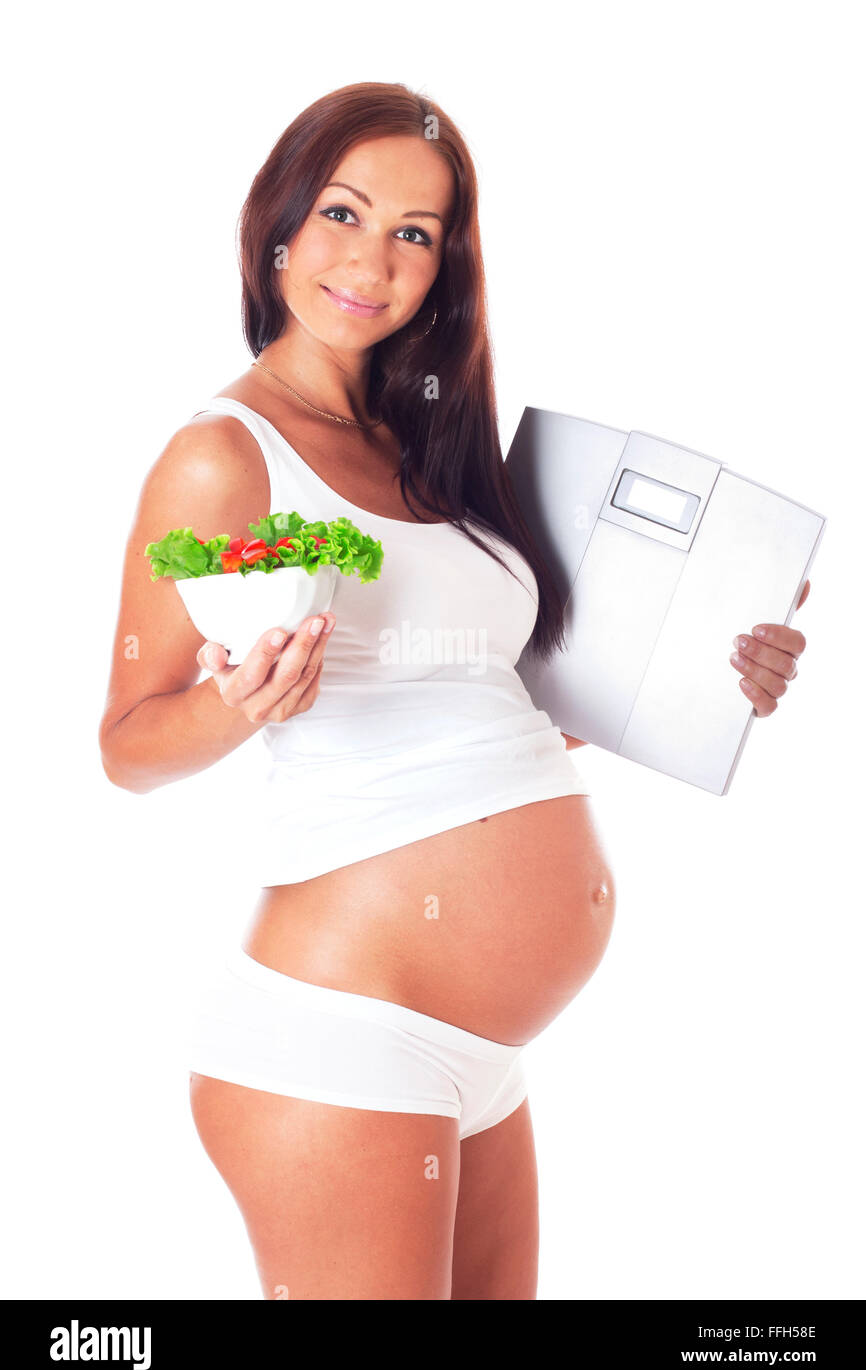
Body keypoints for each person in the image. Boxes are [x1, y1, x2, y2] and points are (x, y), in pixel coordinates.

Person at [98, 82, 810, 1301]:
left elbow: (491, 716)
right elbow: (126, 741)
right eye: (342, 212)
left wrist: (709, 668)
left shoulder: (432, 453)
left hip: (479, 1056)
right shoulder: (224, 453)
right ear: (276, 227)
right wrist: (239, 705)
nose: (371, 260)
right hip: (340, 1038)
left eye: (415, 233)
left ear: (444, 265)